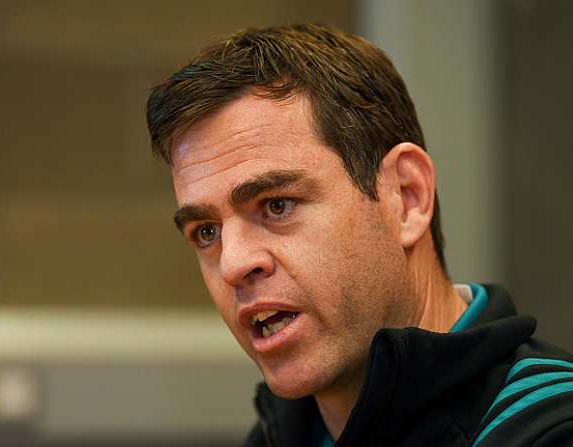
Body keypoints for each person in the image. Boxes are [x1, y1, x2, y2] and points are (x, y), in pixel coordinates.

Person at [144, 23, 573, 446]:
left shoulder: (550, 428)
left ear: (406, 198)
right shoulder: (283, 431)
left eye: (277, 205)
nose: (233, 262)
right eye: (206, 232)